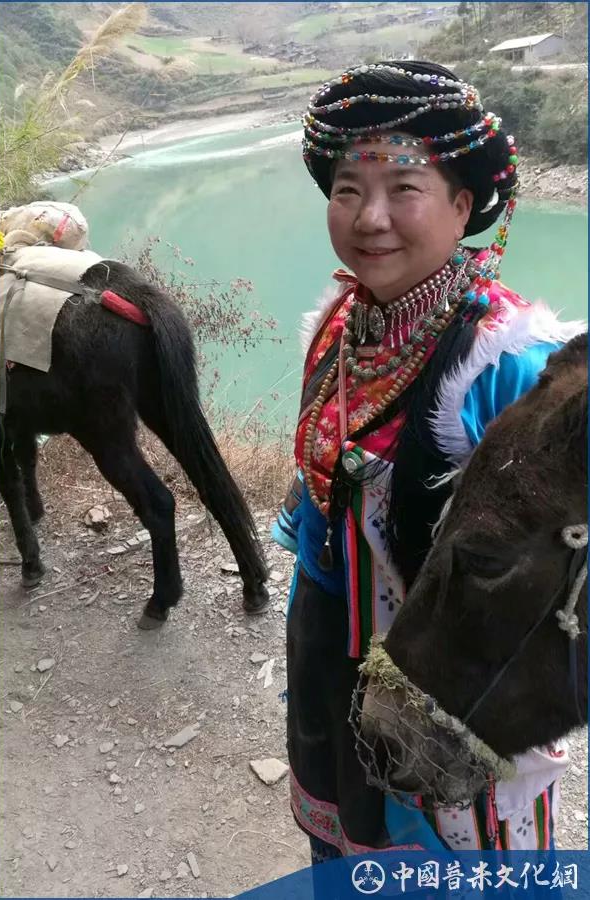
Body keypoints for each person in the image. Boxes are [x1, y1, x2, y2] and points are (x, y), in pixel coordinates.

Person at [271, 60, 583, 859]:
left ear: (462, 205)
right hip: (326, 650)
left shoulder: (511, 366)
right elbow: (317, 498)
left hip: (453, 678)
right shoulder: (336, 326)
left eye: (404, 188)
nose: (369, 217)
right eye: (348, 189)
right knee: (345, 842)